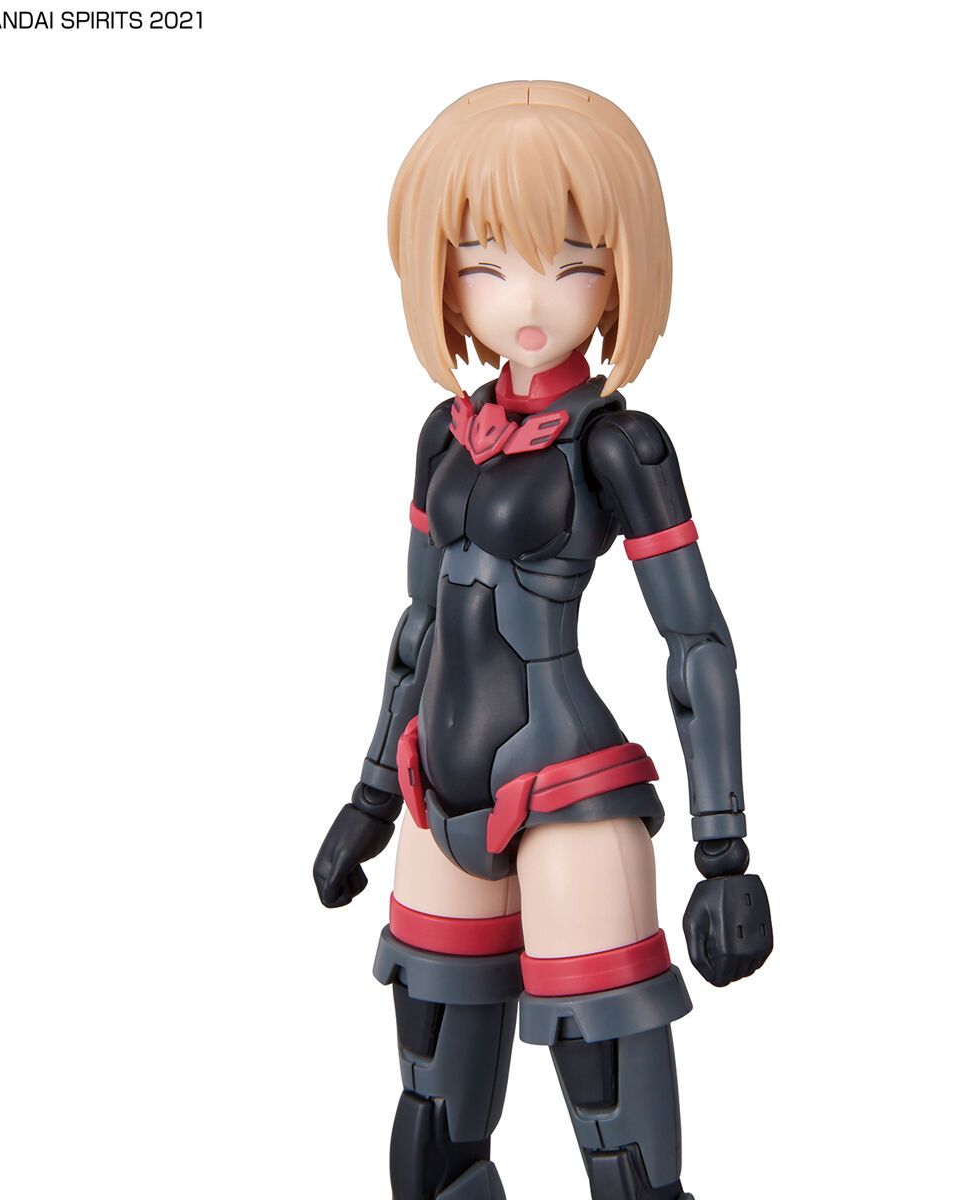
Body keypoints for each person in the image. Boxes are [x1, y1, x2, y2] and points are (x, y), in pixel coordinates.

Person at [313, 80, 773, 1200]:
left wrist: (724, 853)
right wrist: (370, 793)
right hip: (436, 792)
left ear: (621, 268)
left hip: (566, 791)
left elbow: (697, 643)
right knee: (432, 1128)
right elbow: (419, 630)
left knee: (614, 1130)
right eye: (486, 263)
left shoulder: (620, 446)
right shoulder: (444, 436)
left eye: (571, 264)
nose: (527, 299)